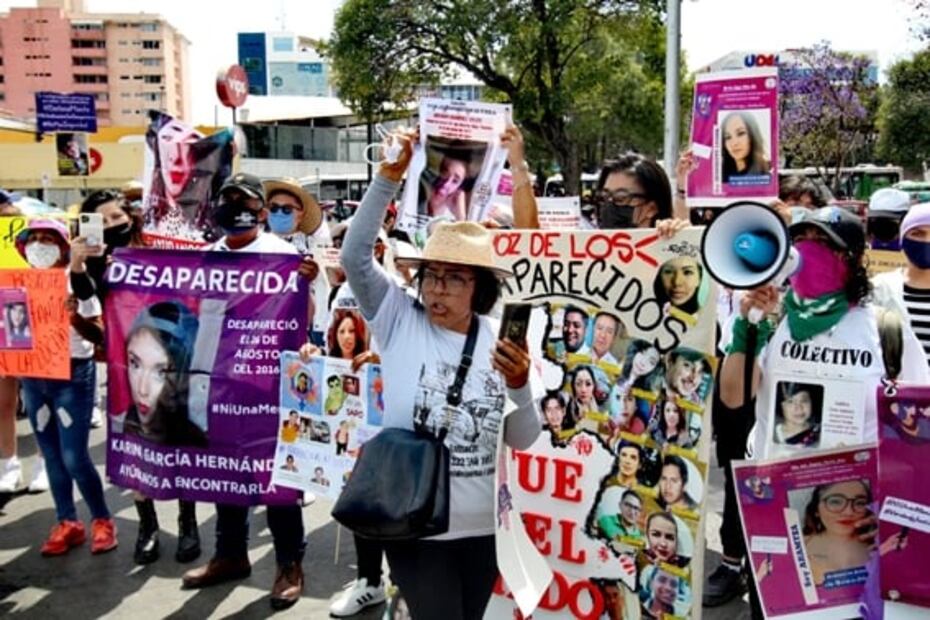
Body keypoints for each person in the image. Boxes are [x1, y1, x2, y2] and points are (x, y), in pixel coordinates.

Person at [339, 127, 541, 619]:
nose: (438, 290)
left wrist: (519, 385)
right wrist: (389, 176)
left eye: (455, 278)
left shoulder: (501, 338)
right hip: (415, 523)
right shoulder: (398, 319)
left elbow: (524, 438)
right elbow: (354, 257)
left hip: (484, 530)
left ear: (481, 288)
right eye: (432, 276)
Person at [181, 173, 312, 610]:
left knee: (277, 481)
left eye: (244, 199)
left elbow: (302, 320)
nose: (234, 205)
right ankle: (230, 554)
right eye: (227, 198)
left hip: (268, 386)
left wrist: (306, 284)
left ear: (260, 210)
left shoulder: (284, 256)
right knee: (224, 473)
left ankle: (290, 564)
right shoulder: (206, 257)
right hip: (218, 382)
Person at [69, 189, 200, 567]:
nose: (112, 226)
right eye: (103, 221)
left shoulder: (157, 245)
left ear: (130, 215)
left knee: (177, 442)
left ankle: (187, 522)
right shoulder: (94, 260)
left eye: (116, 217)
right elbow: (84, 299)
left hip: (169, 361)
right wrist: (78, 264)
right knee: (135, 448)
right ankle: (147, 527)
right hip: (126, 366)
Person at [14, 219, 117, 556]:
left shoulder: (76, 280)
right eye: (34, 239)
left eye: (48, 238)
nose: (39, 245)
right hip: (33, 376)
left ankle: (102, 520)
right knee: (51, 455)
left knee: (74, 455)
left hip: (73, 374)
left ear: (63, 244)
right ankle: (67, 522)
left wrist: (73, 318)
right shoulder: (17, 284)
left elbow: (100, 336)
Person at [113, 301, 207, 447]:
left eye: (161, 372)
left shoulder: (199, 446)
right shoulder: (117, 428)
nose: (142, 390)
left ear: (183, 376)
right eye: (135, 364)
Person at [872, 201, 930, 364]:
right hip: (896, 388)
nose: (927, 241)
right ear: (903, 239)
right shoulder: (879, 289)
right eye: (917, 233)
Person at [594, 152, 689, 235]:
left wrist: (682, 237)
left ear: (651, 208)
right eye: (604, 197)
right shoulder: (589, 250)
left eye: (620, 198)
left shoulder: (667, 250)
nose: (609, 205)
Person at [801, 480, 874, 586]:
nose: (848, 512)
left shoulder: (879, 545)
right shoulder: (798, 546)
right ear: (816, 510)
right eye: (835, 501)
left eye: (860, 503)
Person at [720, 111, 771, 181]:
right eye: (728, 137)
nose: (734, 143)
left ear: (752, 135)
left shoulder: (767, 176)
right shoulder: (719, 176)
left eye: (741, 133)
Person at [422, 150, 470, 220]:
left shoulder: (452, 211)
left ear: (459, 186)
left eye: (455, 181)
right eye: (445, 174)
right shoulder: (421, 191)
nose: (446, 184)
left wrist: (460, 215)